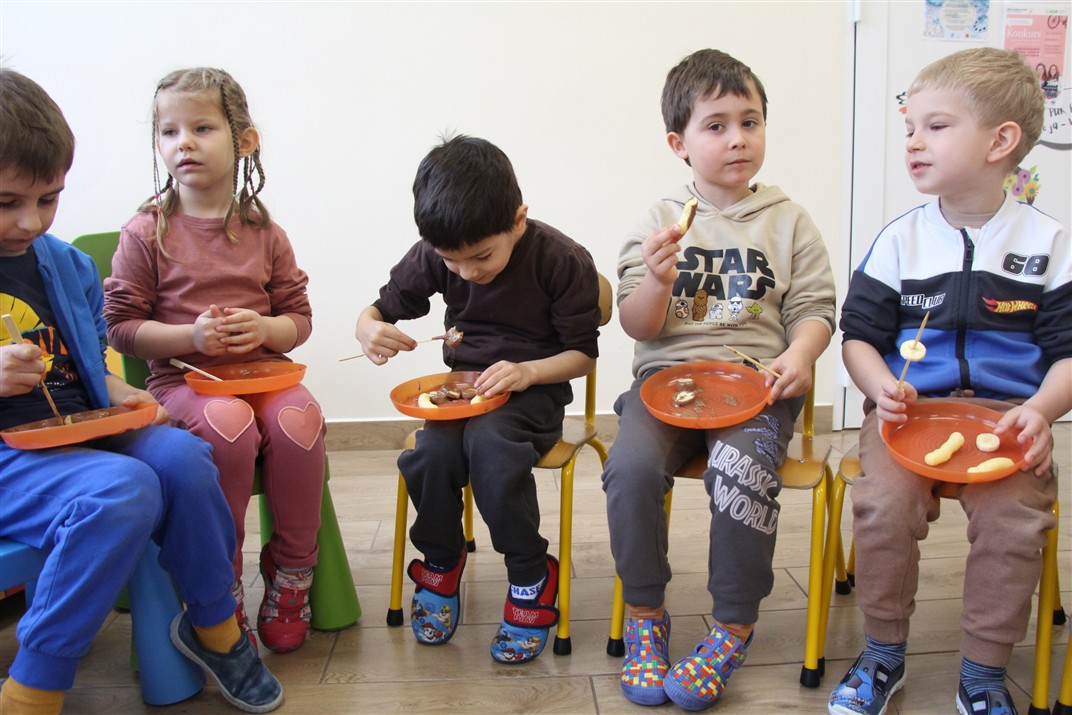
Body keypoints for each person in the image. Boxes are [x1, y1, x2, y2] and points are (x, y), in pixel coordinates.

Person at [0, 69, 282, 714]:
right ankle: (33, 687)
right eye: (6, 202)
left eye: (48, 199)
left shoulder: (65, 264)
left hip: (79, 434)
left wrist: (122, 397)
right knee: (123, 488)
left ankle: (215, 627)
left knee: (183, 455)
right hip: (12, 459)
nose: (30, 221)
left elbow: (87, 363)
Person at [827, 47, 1070, 715]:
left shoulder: (1050, 245)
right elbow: (857, 338)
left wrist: (1042, 411)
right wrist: (880, 385)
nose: (913, 142)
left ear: (1000, 142)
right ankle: (882, 651)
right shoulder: (899, 241)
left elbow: (1068, 355)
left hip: (1006, 418)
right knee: (882, 505)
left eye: (935, 127)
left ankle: (984, 671)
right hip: (910, 414)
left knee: (1015, 523)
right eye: (909, 128)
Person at [602, 49, 836, 710]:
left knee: (741, 471)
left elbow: (815, 309)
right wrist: (656, 280)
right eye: (716, 125)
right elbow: (637, 324)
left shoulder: (790, 221)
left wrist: (802, 354)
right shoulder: (659, 223)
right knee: (630, 470)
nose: (738, 138)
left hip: (755, 388)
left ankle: (733, 625)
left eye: (750, 122)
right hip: (664, 384)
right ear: (678, 143)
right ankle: (645, 612)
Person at [354, 134, 601, 664]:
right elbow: (380, 309)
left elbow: (582, 355)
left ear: (518, 220)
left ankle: (530, 571)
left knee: (491, 448)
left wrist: (527, 372)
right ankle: (441, 560)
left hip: (536, 391)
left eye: (481, 257)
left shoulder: (561, 259)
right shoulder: (437, 252)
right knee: (430, 456)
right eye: (452, 261)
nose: (466, 272)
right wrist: (367, 327)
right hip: (462, 394)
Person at [103, 68, 326, 654]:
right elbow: (121, 329)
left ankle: (292, 571)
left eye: (202, 128)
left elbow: (299, 319)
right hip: (187, 385)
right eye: (169, 131)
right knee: (228, 424)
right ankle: (219, 589)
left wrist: (266, 328)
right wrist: (191, 338)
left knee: (299, 420)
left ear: (244, 140)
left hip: (267, 376)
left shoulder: (265, 232)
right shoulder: (146, 232)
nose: (184, 142)